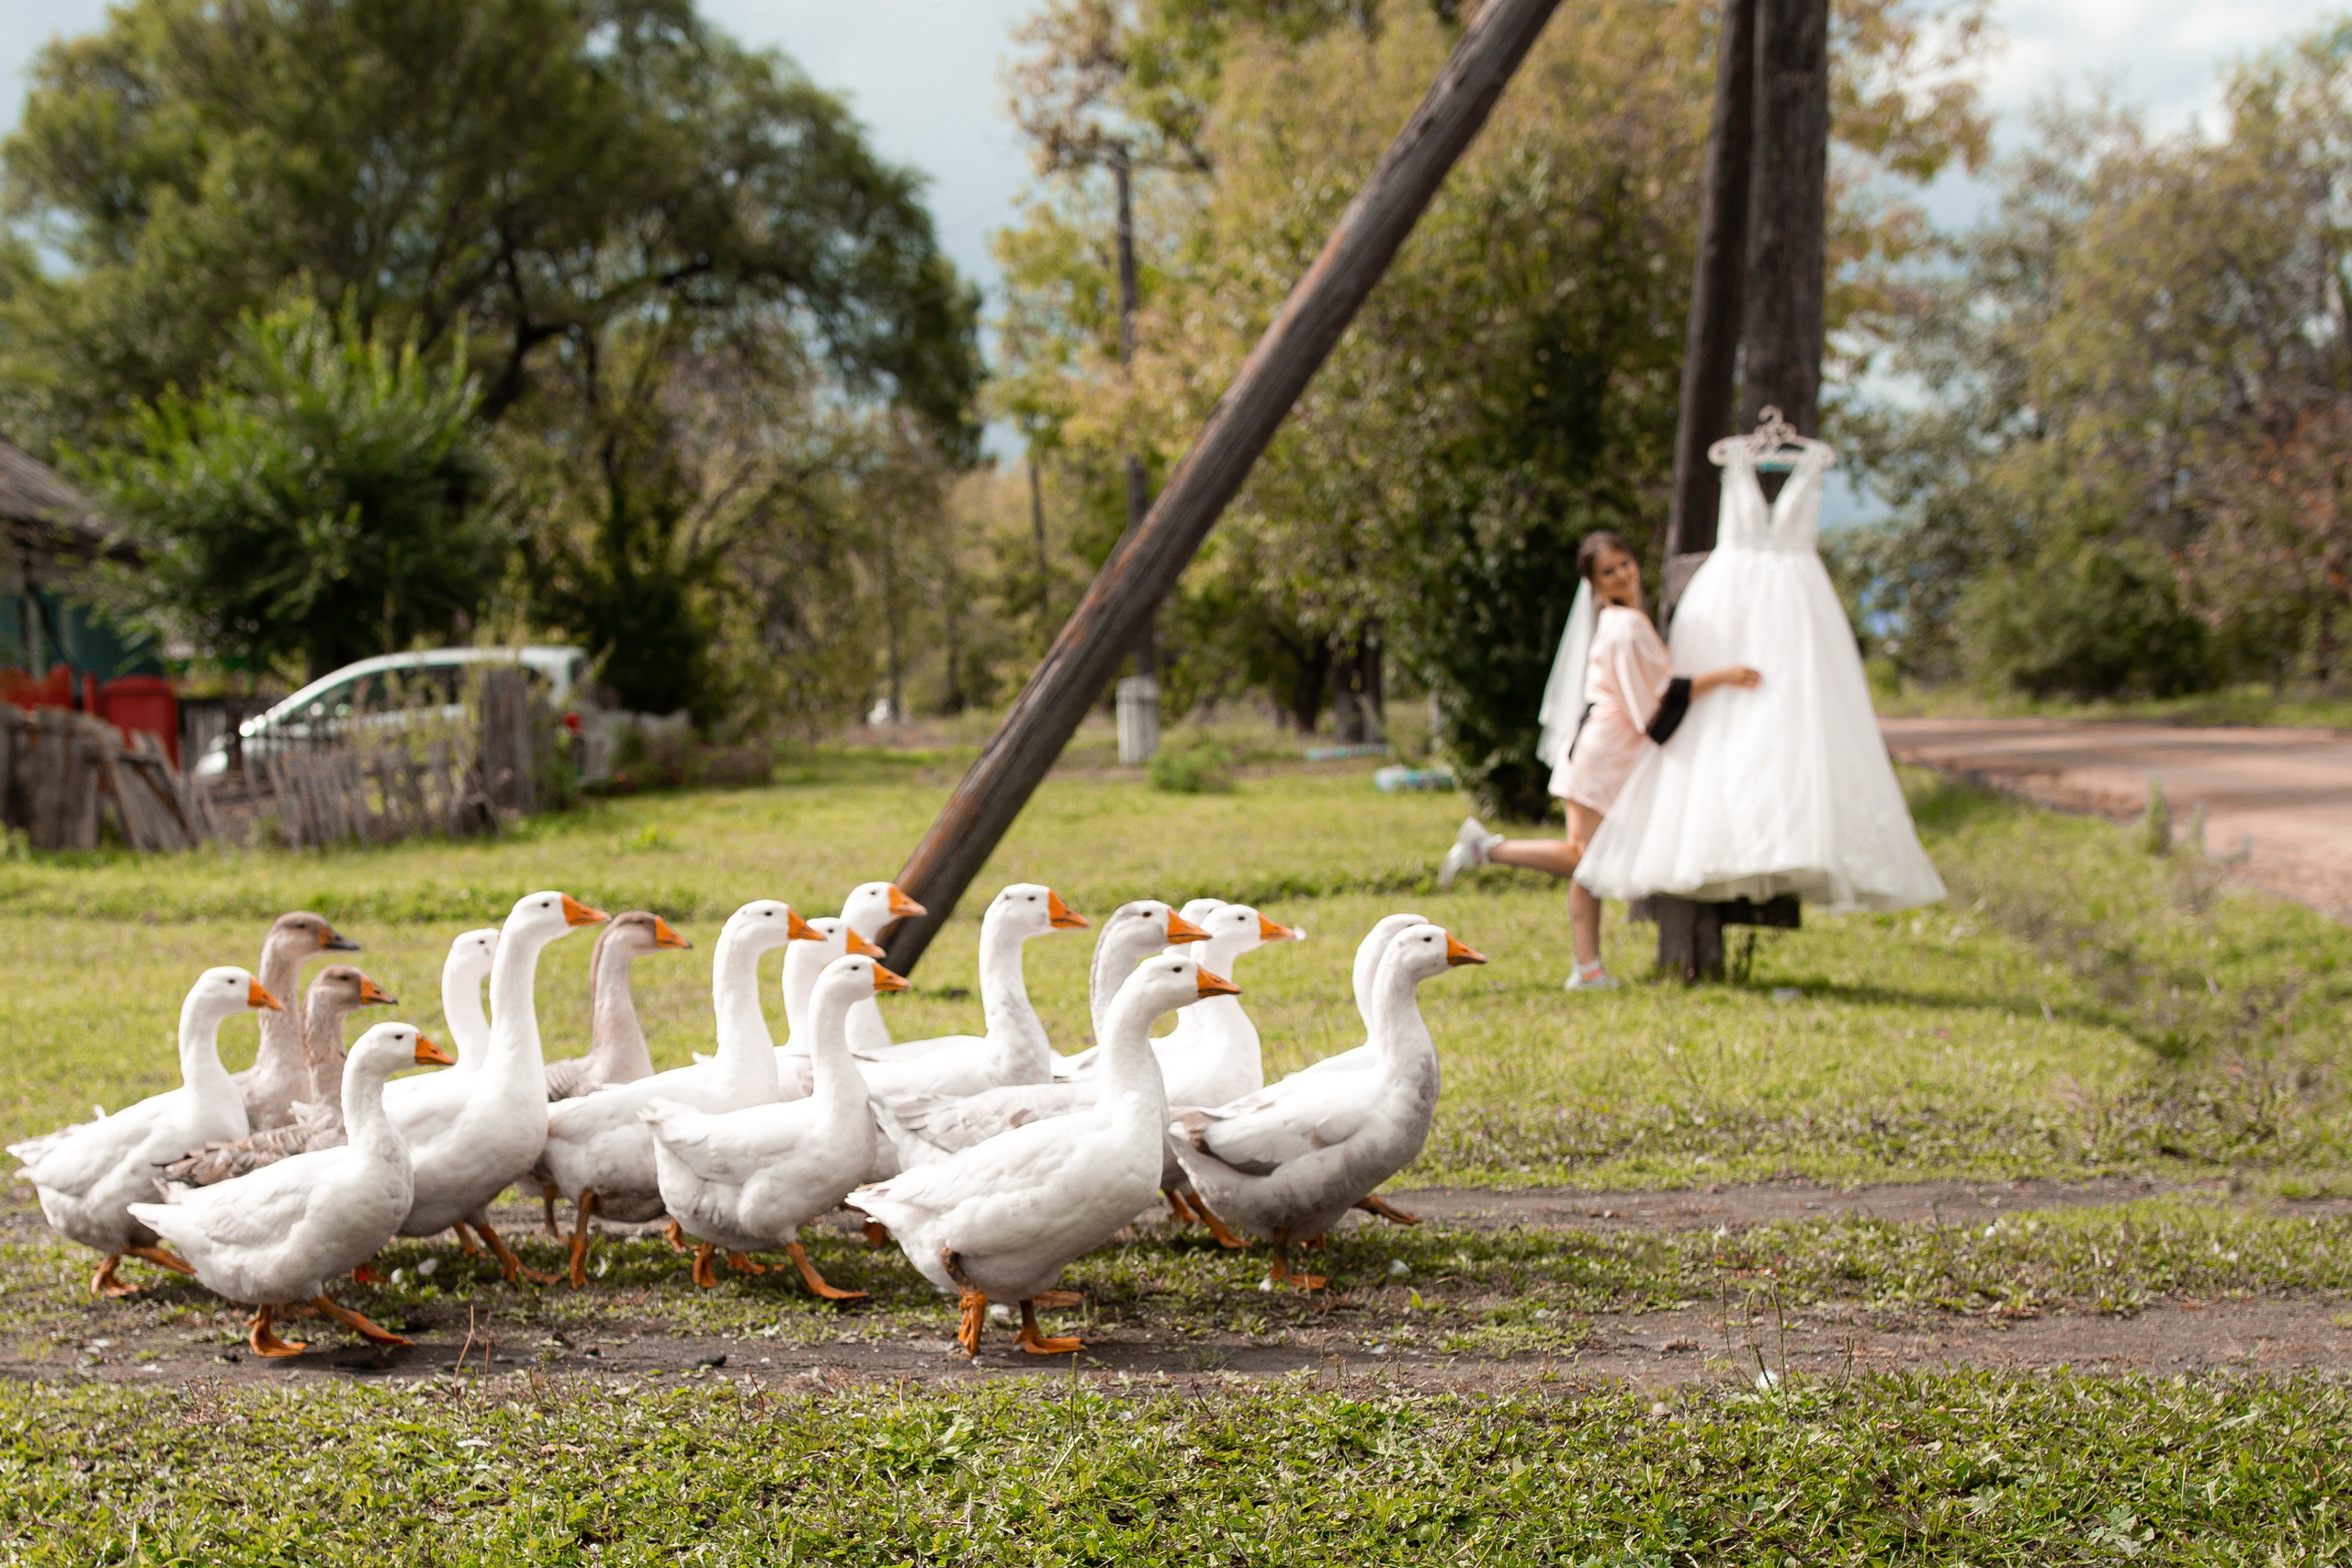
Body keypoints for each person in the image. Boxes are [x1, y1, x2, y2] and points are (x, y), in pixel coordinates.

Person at [1437, 531, 1758, 989]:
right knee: (1584, 859)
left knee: (1584, 861)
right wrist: (1724, 677)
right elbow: (1653, 702)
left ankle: (1587, 967)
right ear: (1594, 583)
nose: (1623, 574)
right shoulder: (1625, 626)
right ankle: (1486, 850)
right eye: (1609, 571)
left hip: (1604, 752)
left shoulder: (1626, 621)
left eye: (1625, 563)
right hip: (1604, 756)